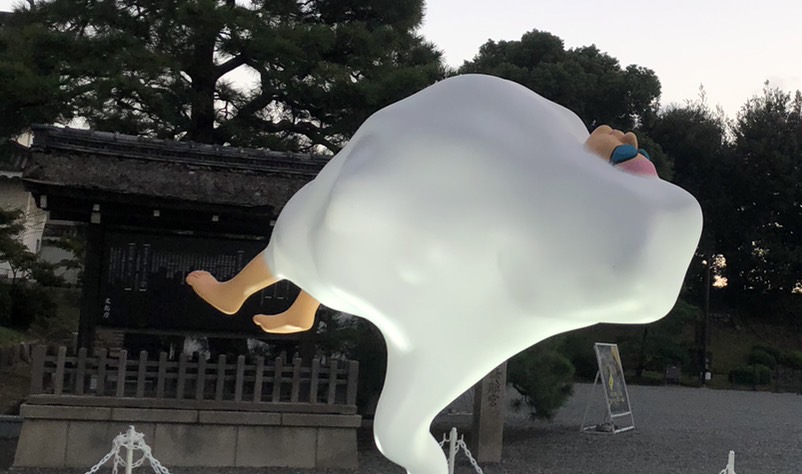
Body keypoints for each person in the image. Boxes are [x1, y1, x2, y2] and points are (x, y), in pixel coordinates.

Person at [187, 122, 656, 330]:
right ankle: (298, 305)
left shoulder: (556, 198)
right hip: (445, 221)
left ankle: (238, 293)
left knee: (318, 227)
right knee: (338, 228)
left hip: (446, 232)